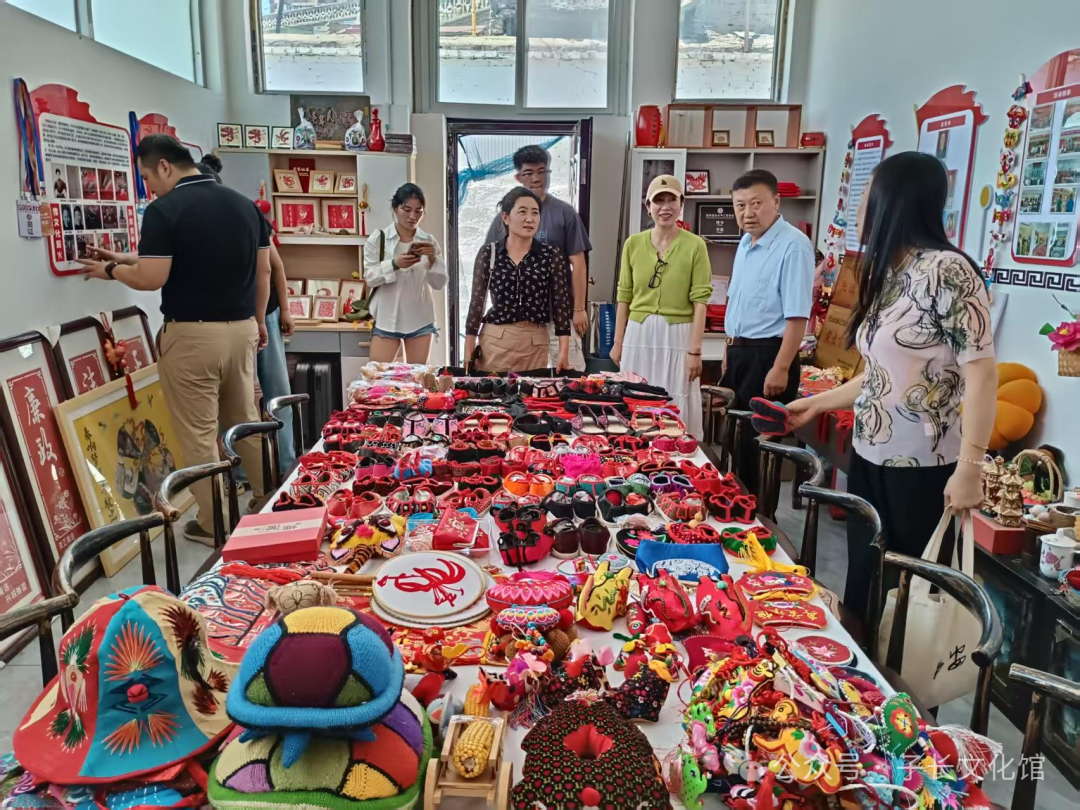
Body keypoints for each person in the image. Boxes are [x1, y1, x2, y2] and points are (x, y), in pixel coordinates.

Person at [787, 151, 997, 616]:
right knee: (866, 580)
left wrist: (970, 467)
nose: (858, 208)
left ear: (893, 200)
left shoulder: (948, 271)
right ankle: (865, 660)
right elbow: (879, 375)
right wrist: (818, 404)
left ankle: (895, 665)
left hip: (921, 468)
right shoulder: (892, 274)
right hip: (870, 456)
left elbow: (983, 375)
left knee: (908, 599)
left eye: (865, 195)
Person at [79, 134, 270, 546]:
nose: (149, 187)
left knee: (199, 435)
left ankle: (216, 523)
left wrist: (110, 271)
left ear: (164, 166)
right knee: (245, 421)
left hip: (193, 337)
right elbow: (262, 271)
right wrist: (258, 321)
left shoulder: (165, 210)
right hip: (241, 331)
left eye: (148, 177)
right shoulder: (244, 206)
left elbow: (153, 277)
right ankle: (270, 502)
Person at [196, 154, 298, 478]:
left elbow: (272, 268)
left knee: (269, 395)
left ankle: (281, 468)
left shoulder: (245, 216)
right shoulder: (200, 224)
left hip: (257, 319)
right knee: (242, 401)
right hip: (234, 323)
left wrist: (279, 313)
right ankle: (250, 474)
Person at [721, 169, 814, 481]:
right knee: (736, 442)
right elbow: (737, 301)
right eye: (740, 205)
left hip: (768, 357)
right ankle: (738, 504)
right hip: (740, 354)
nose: (748, 213)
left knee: (758, 449)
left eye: (756, 203)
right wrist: (728, 349)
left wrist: (781, 367)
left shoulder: (794, 245)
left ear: (776, 201)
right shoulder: (745, 243)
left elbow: (797, 316)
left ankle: (758, 510)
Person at [611, 175, 712, 437]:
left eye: (671, 200)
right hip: (639, 334)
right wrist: (618, 342)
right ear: (648, 206)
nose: (665, 207)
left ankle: (678, 449)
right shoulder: (633, 244)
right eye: (658, 201)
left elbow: (700, 301)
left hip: (678, 335)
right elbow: (624, 296)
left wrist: (695, 351)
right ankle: (636, 450)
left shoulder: (696, 245)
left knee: (675, 395)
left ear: (681, 204)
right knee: (635, 396)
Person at [483, 145, 590, 371]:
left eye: (541, 172)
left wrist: (579, 309)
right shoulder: (503, 219)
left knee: (571, 377)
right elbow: (489, 268)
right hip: (521, 324)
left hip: (560, 316)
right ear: (518, 177)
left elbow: (578, 264)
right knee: (524, 382)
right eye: (528, 173)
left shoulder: (565, 213)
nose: (536, 178)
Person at [466, 187, 571, 373]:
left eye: (535, 213)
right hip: (495, 339)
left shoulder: (550, 255)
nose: (530, 219)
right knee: (492, 390)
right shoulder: (489, 253)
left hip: (535, 341)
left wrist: (564, 352)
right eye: (522, 212)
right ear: (506, 217)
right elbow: (477, 303)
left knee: (532, 391)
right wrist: (468, 349)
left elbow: (560, 305)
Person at [363, 183, 447, 363]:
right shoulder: (379, 238)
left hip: (420, 318)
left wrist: (433, 258)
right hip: (386, 318)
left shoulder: (428, 240)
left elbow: (439, 283)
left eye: (418, 211)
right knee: (377, 375)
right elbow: (370, 278)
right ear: (395, 208)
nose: (412, 216)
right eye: (407, 210)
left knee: (418, 377)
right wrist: (394, 264)